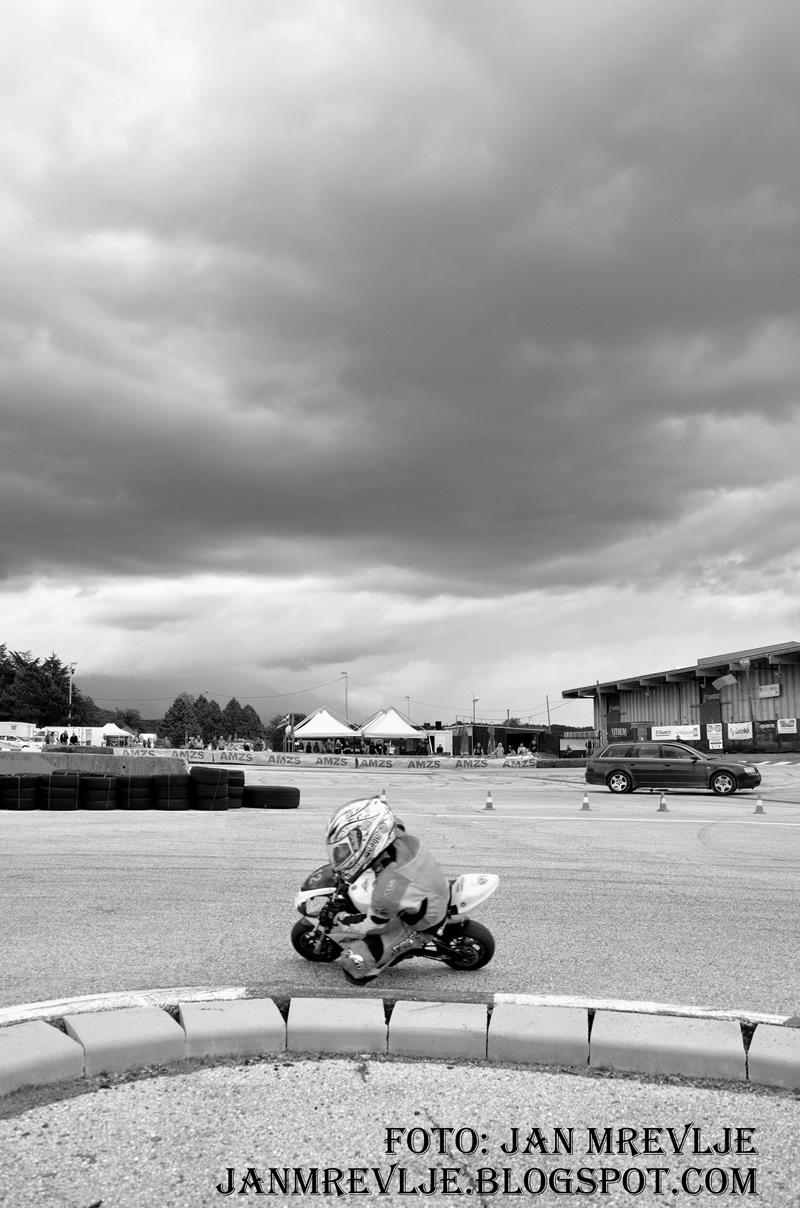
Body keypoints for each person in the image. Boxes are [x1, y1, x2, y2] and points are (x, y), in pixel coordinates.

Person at [325, 797, 450, 985]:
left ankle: (382, 964)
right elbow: (395, 821)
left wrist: (338, 919)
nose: (343, 854)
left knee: (353, 962)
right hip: (427, 887)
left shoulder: (387, 891)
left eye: (348, 847)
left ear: (370, 839)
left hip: (423, 922)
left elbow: (372, 926)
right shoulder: (396, 834)